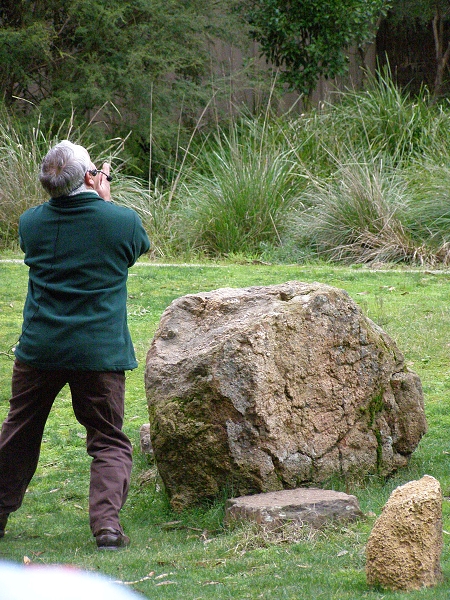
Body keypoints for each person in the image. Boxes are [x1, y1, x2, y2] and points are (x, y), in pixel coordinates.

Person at [0, 140, 150, 550]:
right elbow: (133, 249)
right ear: (89, 176)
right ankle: (106, 526)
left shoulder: (30, 222)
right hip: (98, 353)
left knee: (20, 432)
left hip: (40, 349)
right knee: (107, 439)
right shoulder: (122, 221)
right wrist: (105, 201)